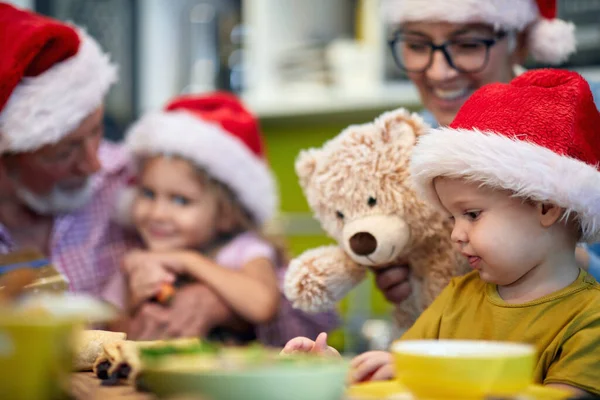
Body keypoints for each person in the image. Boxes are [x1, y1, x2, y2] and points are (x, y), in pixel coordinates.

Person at [283, 69, 600, 396]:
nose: (456, 234)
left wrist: (439, 376)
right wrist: (337, 370)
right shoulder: (456, 297)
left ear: (546, 206)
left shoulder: (591, 320)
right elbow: (397, 376)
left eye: (472, 214)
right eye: (452, 217)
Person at [373, 0, 600, 307]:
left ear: (519, 42)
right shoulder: (404, 141)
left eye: (468, 44)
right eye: (416, 45)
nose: (439, 72)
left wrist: (554, 258)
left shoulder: (587, 118)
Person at [103, 92, 338, 344]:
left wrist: (187, 261)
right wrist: (134, 300)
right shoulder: (137, 259)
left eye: (181, 200)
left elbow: (262, 304)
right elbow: (112, 327)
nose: (158, 213)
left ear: (225, 214)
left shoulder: (243, 250)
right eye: (148, 193)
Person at [0, 3, 129, 296]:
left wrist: (209, 300)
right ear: (6, 159)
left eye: (96, 131)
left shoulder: (130, 177)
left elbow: (238, 246)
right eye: (64, 152)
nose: (94, 164)